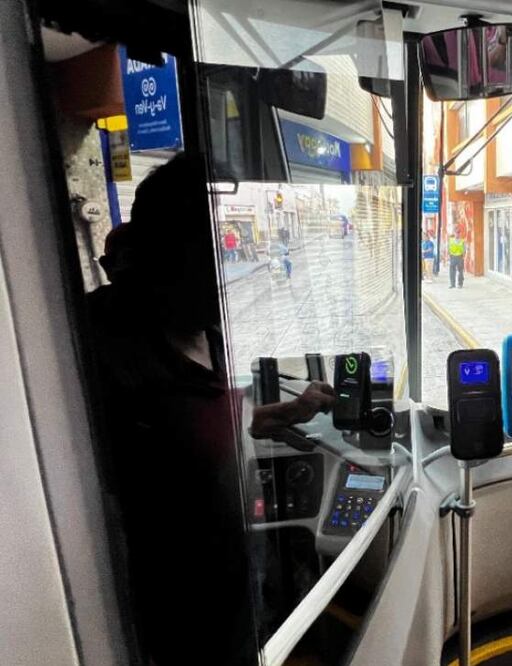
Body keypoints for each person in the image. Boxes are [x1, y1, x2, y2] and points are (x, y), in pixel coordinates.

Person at [89, 154, 333, 665]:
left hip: (238, 593)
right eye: (207, 252)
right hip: (177, 624)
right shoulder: (103, 344)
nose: (226, 275)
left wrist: (291, 411)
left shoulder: (209, 336)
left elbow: (212, 422)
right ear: (163, 251)